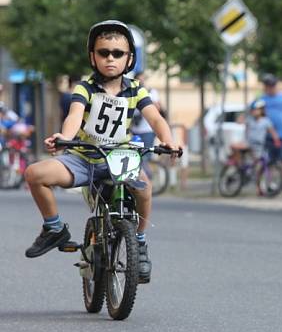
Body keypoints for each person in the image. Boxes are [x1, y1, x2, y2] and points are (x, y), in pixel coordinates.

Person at [22, 20, 181, 283]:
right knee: (34, 174)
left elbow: (156, 119)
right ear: (92, 56)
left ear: (129, 58)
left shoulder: (136, 90)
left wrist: (169, 140)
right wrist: (65, 137)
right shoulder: (85, 87)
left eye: (117, 53)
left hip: (121, 157)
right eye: (103, 52)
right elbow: (74, 116)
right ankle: (53, 228)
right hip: (84, 156)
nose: (110, 58)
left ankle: (139, 242)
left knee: (144, 187)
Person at [228, 101, 282, 188]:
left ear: (261, 110)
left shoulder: (265, 121)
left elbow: (273, 132)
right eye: (253, 110)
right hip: (248, 144)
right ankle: (238, 165)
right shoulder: (250, 119)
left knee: (258, 166)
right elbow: (239, 121)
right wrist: (246, 113)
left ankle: (259, 186)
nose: (255, 112)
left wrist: (277, 140)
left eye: (257, 110)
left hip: (259, 146)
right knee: (233, 145)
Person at [257, 74, 282, 190]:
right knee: (270, 160)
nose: (268, 88)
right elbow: (255, 112)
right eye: (267, 86)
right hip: (269, 135)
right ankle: (271, 184)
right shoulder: (262, 99)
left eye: (271, 85)